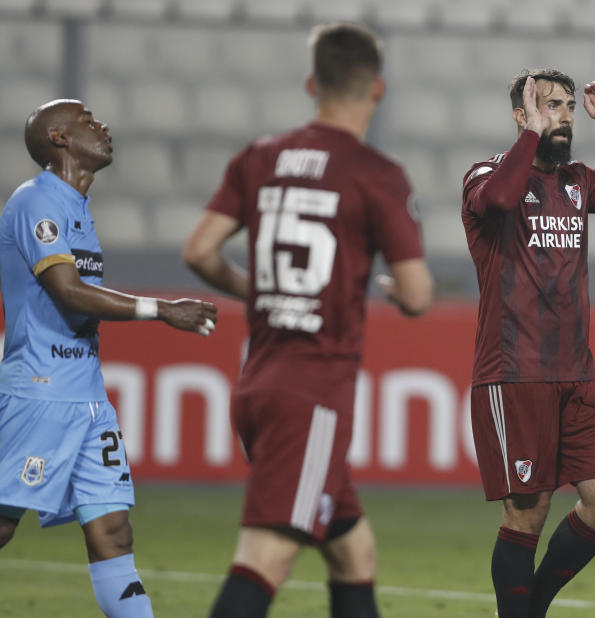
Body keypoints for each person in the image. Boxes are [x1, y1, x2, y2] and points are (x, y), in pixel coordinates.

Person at [183, 22, 433, 618]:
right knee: (266, 556)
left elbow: (199, 251)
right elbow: (419, 295)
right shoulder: (377, 173)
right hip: (314, 392)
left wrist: (256, 290)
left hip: (259, 380)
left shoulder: (259, 157)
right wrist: (401, 294)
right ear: (378, 88)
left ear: (310, 83)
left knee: (353, 552)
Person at [461, 69, 595, 618]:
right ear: (520, 116)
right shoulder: (485, 174)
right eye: (548, 106)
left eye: (566, 107)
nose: (563, 115)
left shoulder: (578, 181)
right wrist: (532, 137)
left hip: (578, 375)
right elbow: (502, 200)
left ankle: (530, 607)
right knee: (527, 515)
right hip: (514, 373)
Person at [0, 99, 218, 618]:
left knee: (114, 534)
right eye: (87, 121)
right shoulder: (36, 202)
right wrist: (161, 308)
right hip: (39, 390)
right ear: (58, 138)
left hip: (88, 400)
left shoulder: (76, 206)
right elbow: (68, 292)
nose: (102, 127)